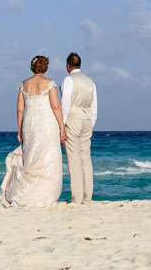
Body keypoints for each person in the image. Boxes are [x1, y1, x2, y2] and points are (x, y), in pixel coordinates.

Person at [0, 55, 65, 208]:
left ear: (32, 67)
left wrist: (19, 130)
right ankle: (42, 193)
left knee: (31, 158)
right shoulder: (49, 84)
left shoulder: (24, 85)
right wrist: (62, 127)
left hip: (30, 124)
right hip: (46, 124)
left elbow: (20, 109)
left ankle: (26, 191)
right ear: (45, 67)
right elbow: (55, 106)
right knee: (47, 158)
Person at [60, 51, 97, 203]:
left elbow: (65, 103)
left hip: (73, 120)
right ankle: (88, 197)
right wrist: (91, 123)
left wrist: (61, 125)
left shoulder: (69, 80)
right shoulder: (91, 82)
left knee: (74, 160)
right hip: (87, 120)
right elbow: (94, 107)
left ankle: (77, 197)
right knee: (86, 160)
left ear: (68, 66)